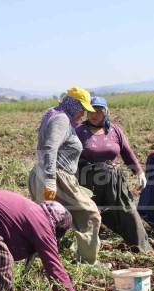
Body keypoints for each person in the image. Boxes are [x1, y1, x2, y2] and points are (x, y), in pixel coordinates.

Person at [28, 87, 103, 265]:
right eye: (82, 108)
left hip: (45, 174)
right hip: (57, 176)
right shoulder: (61, 119)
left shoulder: (55, 113)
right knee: (91, 215)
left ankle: (36, 262)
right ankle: (87, 262)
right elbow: (49, 148)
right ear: (73, 104)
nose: (83, 113)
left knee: (46, 221)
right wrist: (51, 179)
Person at [75, 96, 153, 253]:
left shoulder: (114, 130)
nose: (94, 115)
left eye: (98, 111)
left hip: (115, 180)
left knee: (128, 212)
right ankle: (87, 253)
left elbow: (126, 151)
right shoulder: (79, 132)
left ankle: (142, 249)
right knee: (93, 216)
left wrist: (138, 171)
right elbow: (72, 157)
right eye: (90, 111)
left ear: (105, 112)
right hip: (91, 183)